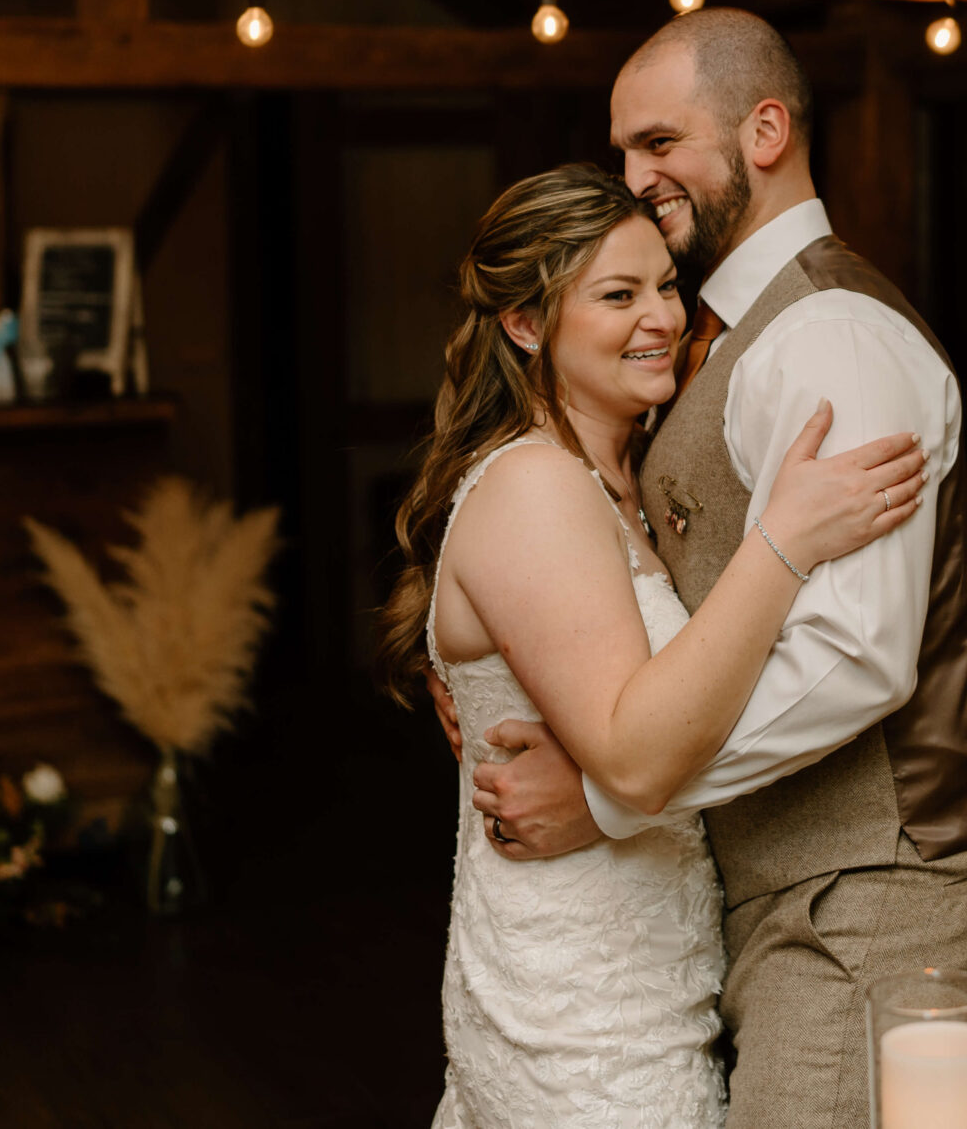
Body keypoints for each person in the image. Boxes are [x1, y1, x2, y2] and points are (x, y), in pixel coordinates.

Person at [458, 8, 967, 1129]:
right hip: (777, 891)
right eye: (624, 150)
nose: (635, 178)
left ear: (765, 131)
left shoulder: (831, 334)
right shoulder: (716, 330)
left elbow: (857, 659)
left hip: (875, 891)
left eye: (660, 143)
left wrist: (612, 797)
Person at [390, 162, 932, 1127]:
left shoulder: (622, 478)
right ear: (526, 323)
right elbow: (636, 757)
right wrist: (785, 539)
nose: (662, 318)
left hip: (652, 980)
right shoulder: (535, 485)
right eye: (618, 295)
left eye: (667, 286)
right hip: (580, 1014)